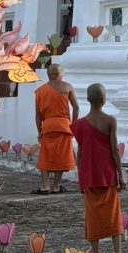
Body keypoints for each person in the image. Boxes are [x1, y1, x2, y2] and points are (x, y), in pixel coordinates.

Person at [70, 83, 126, 253]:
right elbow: (114, 150)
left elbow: (80, 153)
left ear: (87, 99)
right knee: (113, 214)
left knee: (92, 216)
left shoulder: (79, 125)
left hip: (89, 175)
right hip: (107, 174)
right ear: (103, 99)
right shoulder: (110, 120)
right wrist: (121, 175)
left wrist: (80, 178)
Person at [34, 62, 79, 194]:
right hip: (64, 126)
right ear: (58, 75)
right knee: (62, 156)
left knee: (45, 155)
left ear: (49, 75)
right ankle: (56, 186)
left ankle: (45, 185)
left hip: (48, 125)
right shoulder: (67, 87)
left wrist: (39, 131)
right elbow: (76, 107)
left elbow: (38, 115)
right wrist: (74, 126)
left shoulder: (40, 91)